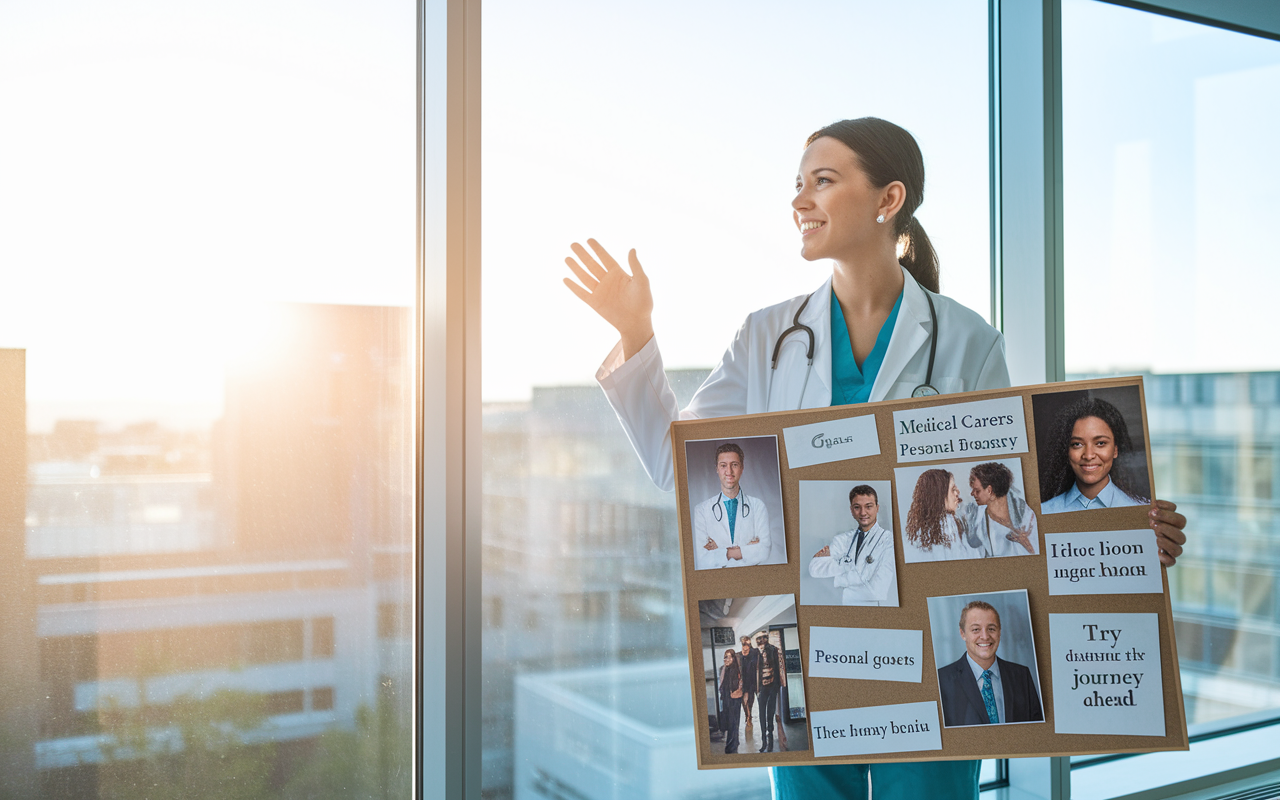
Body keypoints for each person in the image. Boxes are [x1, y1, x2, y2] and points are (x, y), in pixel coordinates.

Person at [563, 116, 1187, 799]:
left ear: (889, 199)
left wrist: (1119, 532)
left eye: (822, 181)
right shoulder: (765, 336)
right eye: (797, 184)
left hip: (927, 651)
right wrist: (636, 331)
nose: (800, 200)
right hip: (805, 643)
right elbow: (674, 465)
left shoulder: (967, 340)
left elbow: (1011, 508)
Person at [937, 601, 1043, 727]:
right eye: (976, 629)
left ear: (999, 632)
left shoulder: (1021, 675)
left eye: (991, 629)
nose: (985, 636)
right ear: (963, 633)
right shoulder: (942, 680)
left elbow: (1038, 729)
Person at [1041, 396, 1150, 514]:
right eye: (1077, 444)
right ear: (1067, 451)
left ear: (1115, 450)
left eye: (1100, 443)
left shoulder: (1143, 510)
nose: (1088, 456)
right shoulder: (1044, 511)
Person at [808, 484, 898, 605]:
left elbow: (877, 590)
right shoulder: (842, 539)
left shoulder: (889, 541)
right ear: (851, 510)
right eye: (857, 507)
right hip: (845, 609)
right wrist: (855, 571)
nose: (863, 512)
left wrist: (839, 578)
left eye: (868, 506)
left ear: (877, 508)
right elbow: (814, 569)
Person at [692, 443, 773, 569]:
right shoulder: (701, 511)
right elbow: (703, 560)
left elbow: (764, 551)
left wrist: (723, 551)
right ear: (717, 469)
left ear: (742, 468)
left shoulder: (758, 506)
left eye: (734, 465)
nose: (729, 471)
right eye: (723, 465)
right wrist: (746, 550)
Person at [901, 469, 977, 562]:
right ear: (939, 495)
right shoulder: (946, 524)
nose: (957, 493)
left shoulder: (923, 529)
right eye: (953, 489)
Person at [963, 462, 1038, 557]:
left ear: (989, 490)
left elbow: (1036, 552)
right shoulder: (979, 518)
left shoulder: (1024, 512)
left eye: (977, 491)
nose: (972, 494)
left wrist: (1025, 543)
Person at [754, 630, 788, 753]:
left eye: (762, 638)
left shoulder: (773, 650)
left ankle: (770, 742)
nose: (761, 641)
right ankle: (764, 742)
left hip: (772, 687)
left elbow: (780, 667)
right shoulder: (756, 653)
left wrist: (780, 684)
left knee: (770, 714)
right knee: (762, 715)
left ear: (766, 639)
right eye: (759, 639)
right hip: (761, 688)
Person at [718, 648, 744, 753]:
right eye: (725, 657)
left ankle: (731, 746)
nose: (726, 659)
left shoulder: (735, 670)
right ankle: (734, 743)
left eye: (729, 657)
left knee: (733, 724)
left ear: (733, 658)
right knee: (730, 723)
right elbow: (722, 683)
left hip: (734, 699)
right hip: (727, 700)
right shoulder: (725, 669)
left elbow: (739, 685)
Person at [739, 635, 759, 734]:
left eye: (747, 643)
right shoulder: (739, 655)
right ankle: (748, 717)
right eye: (744, 644)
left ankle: (749, 717)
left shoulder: (755, 653)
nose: (746, 645)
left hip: (753, 682)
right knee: (744, 701)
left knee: (750, 701)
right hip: (744, 683)